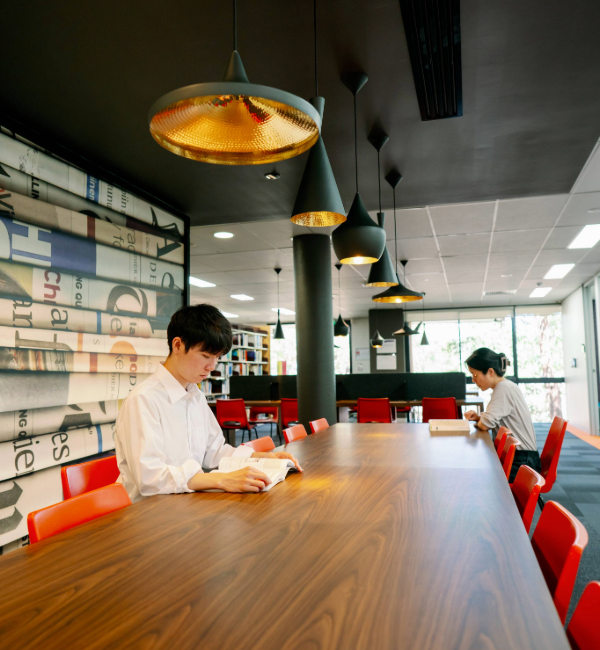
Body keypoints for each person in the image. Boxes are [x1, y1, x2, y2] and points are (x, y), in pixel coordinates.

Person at [115, 303, 302, 502]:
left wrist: (263, 458)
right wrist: (220, 480)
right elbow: (149, 478)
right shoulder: (144, 399)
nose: (212, 366)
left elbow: (216, 452)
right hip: (145, 512)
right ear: (177, 345)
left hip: (184, 504)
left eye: (217, 357)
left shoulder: (195, 396)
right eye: (205, 356)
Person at [463, 347, 540, 482]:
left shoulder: (503, 388)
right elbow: (493, 420)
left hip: (522, 462)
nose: (473, 380)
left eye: (475, 375)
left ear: (490, 372)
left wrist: (482, 420)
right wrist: (479, 417)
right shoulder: (506, 386)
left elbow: (485, 425)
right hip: (522, 457)